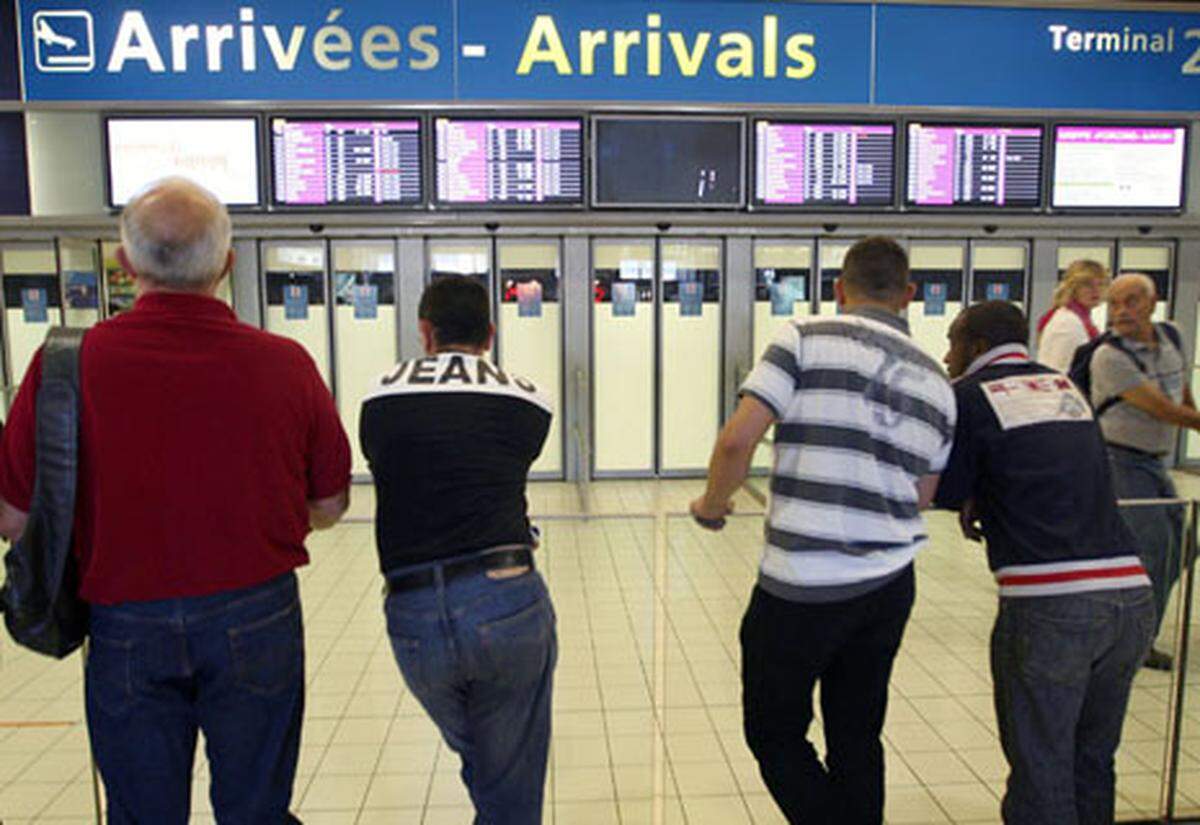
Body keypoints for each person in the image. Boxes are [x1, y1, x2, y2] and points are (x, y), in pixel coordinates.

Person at [0, 178, 351, 823]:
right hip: (258, 616)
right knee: (257, 810)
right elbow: (329, 505)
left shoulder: (61, 367)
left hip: (124, 624)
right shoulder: (286, 363)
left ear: (125, 264)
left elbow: (14, 517)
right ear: (227, 263)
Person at [689, 237, 956, 824]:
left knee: (775, 733)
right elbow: (922, 496)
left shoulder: (804, 337)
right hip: (889, 584)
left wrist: (712, 504)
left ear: (840, 289)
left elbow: (738, 438)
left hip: (801, 587)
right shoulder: (939, 381)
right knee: (858, 733)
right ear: (909, 295)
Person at [937, 300, 1154, 825]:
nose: (946, 357)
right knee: (1092, 758)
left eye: (952, 343)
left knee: (1042, 767)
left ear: (977, 345)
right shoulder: (1064, 388)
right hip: (1132, 597)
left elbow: (945, 488)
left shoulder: (967, 395)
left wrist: (970, 498)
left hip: (1051, 605)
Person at [360, 275, 555, 825]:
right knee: (505, 773)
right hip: (506, 596)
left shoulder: (379, 395)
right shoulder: (528, 397)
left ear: (425, 331)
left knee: (488, 766)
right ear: (490, 334)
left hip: (412, 609)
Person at [1088, 272, 1198, 670]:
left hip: (1156, 460)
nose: (1121, 311)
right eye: (1114, 303)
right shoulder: (1110, 356)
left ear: (1152, 304)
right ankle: (1132, 643)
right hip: (1121, 462)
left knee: (1183, 546)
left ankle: (1138, 632)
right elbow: (1163, 409)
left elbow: (1179, 392)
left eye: (1131, 301)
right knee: (1152, 551)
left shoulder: (1174, 338)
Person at [1037, 259, 1108, 372]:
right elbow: (1064, 370)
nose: (1096, 290)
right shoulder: (1068, 323)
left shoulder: (1077, 317)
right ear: (1073, 287)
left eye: (1100, 284)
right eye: (1087, 284)